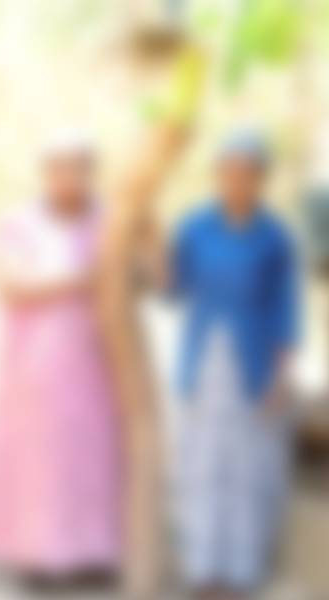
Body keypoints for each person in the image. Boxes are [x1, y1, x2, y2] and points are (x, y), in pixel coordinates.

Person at [0, 132, 121, 583]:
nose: (70, 179)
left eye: (79, 169)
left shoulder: (106, 221)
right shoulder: (22, 223)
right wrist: (77, 282)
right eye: (62, 169)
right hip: (37, 359)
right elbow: (11, 285)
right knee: (41, 454)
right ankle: (38, 555)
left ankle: (91, 551)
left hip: (93, 358)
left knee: (90, 451)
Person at [168, 131, 297, 599]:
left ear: (259, 178)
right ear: (219, 177)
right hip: (203, 359)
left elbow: (283, 307)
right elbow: (172, 284)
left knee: (247, 468)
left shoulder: (273, 237)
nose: (237, 180)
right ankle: (204, 567)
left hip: (255, 362)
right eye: (229, 172)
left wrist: (281, 376)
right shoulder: (197, 228)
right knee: (202, 464)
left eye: (247, 173)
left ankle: (241, 571)